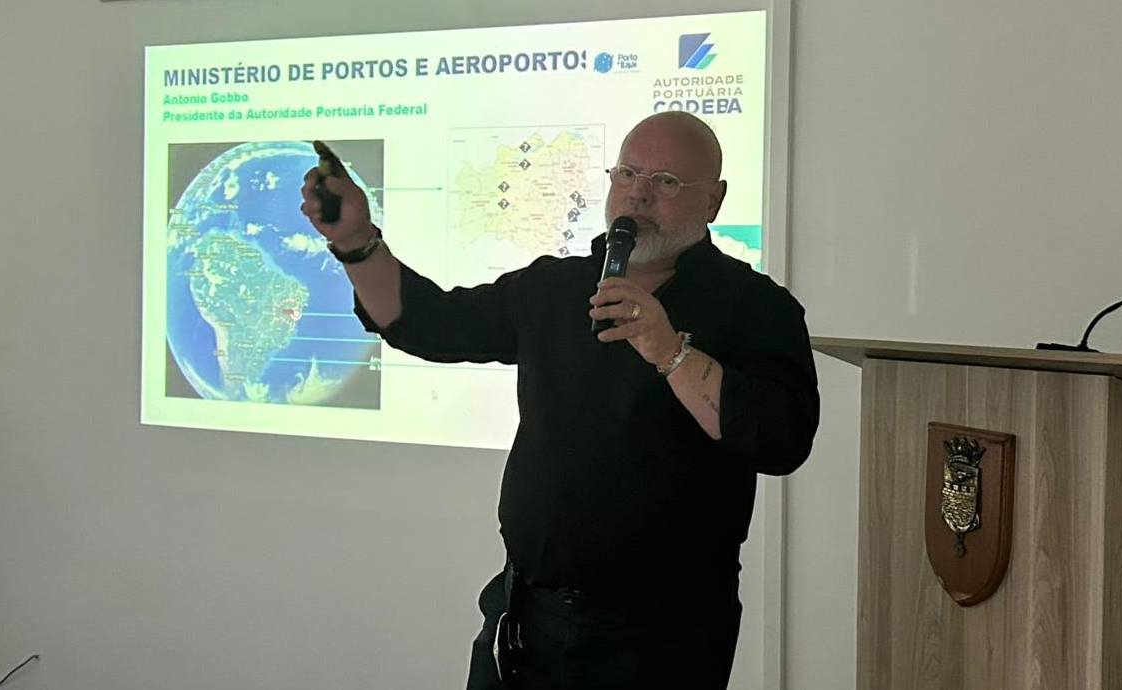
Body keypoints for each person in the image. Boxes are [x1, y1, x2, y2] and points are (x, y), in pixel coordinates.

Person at [299, 112, 819, 690]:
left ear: (714, 200)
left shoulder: (756, 306)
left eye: (667, 181)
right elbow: (430, 324)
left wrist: (670, 351)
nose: (639, 193)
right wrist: (356, 243)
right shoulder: (556, 287)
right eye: (627, 173)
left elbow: (781, 439)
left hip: (663, 635)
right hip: (528, 616)